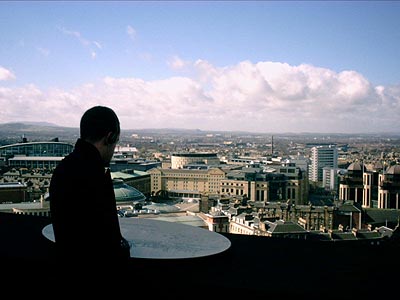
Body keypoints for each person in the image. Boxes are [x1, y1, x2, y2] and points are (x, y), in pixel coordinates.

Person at [49, 105, 130, 282]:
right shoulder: (95, 173)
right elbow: (104, 238)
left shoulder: (63, 168)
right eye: (115, 143)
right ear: (110, 137)